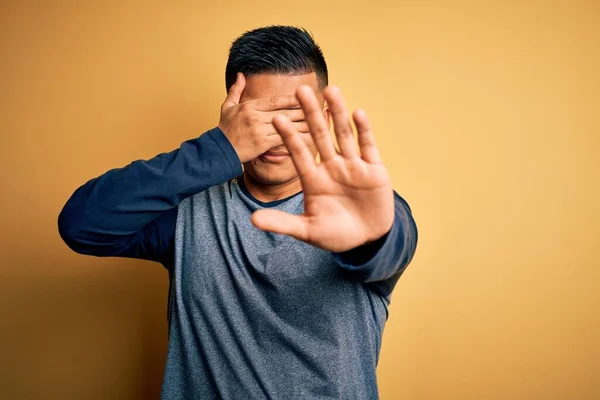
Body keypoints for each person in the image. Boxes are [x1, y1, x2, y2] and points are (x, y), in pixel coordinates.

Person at [58, 25, 418, 399]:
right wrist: (217, 149)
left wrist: (372, 238)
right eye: (260, 119)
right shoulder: (187, 214)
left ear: (323, 118)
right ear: (232, 116)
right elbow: (81, 224)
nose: (279, 136)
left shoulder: (362, 211)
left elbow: (393, 240)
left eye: (297, 118)